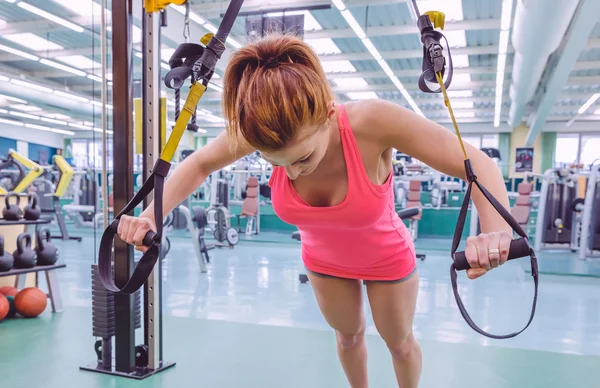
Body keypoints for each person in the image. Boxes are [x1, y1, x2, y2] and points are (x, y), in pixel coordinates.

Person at [117, 34, 513, 388]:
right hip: (323, 261)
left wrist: (495, 232)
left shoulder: (373, 122)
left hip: (387, 257)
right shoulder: (258, 130)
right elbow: (199, 164)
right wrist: (152, 214)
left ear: (327, 113)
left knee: (400, 345)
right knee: (348, 337)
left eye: (302, 157)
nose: (292, 172)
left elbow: (476, 163)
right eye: (275, 163)